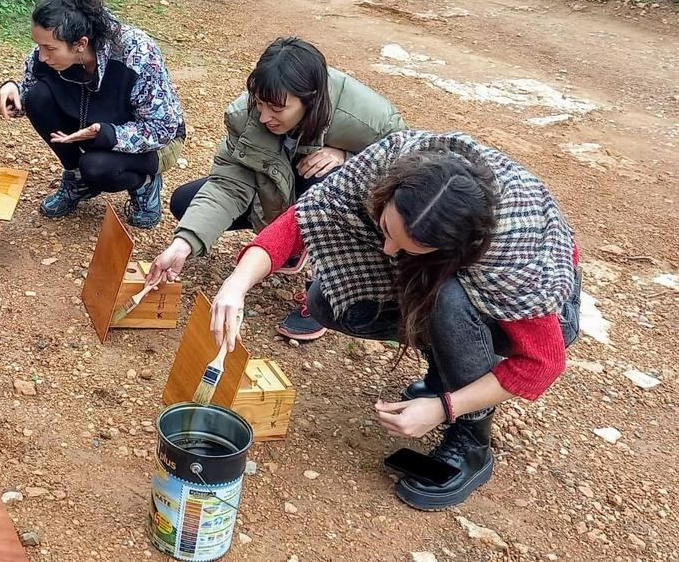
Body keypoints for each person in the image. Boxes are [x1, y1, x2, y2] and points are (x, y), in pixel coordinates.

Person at [209, 130, 581, 510]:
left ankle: (472, 440)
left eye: (408, 246)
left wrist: (445, 408)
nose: (387, 250)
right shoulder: (390, 162)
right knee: (330, 300)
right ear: (389, 191)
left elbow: (542, 363)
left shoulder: (510, 258)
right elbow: (301, 220)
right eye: (387, 230)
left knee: (449, 299)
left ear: (454, 246)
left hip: (537, 310)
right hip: (442, 272)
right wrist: (237, 284)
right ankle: (446, 372)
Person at [147, 37, 405, 340]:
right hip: (281, 187)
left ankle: (324, 292)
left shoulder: (366, 118)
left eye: (277, 109)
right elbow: (229, 184)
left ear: (310, 99)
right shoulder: (247, 116)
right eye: (259, 103)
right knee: (185, 202)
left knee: (329, 178)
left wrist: (348, 157)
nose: (265, 116)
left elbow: (400, 161)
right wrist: (184, 243)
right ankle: (288, 247)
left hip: (332, 194)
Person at [0, 0, 185, 228]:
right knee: (37, 98)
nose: (41, 56)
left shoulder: (137, 52)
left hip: (154, 144)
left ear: (80, 44)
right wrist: (13, 91)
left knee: (96, 166)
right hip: (91, 128)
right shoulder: (53, 48)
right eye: (38, 45)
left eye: (49, 48)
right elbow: (31, 89)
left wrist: (107, 134)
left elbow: (162, 128)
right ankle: (77, 178)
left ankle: (145, 184)